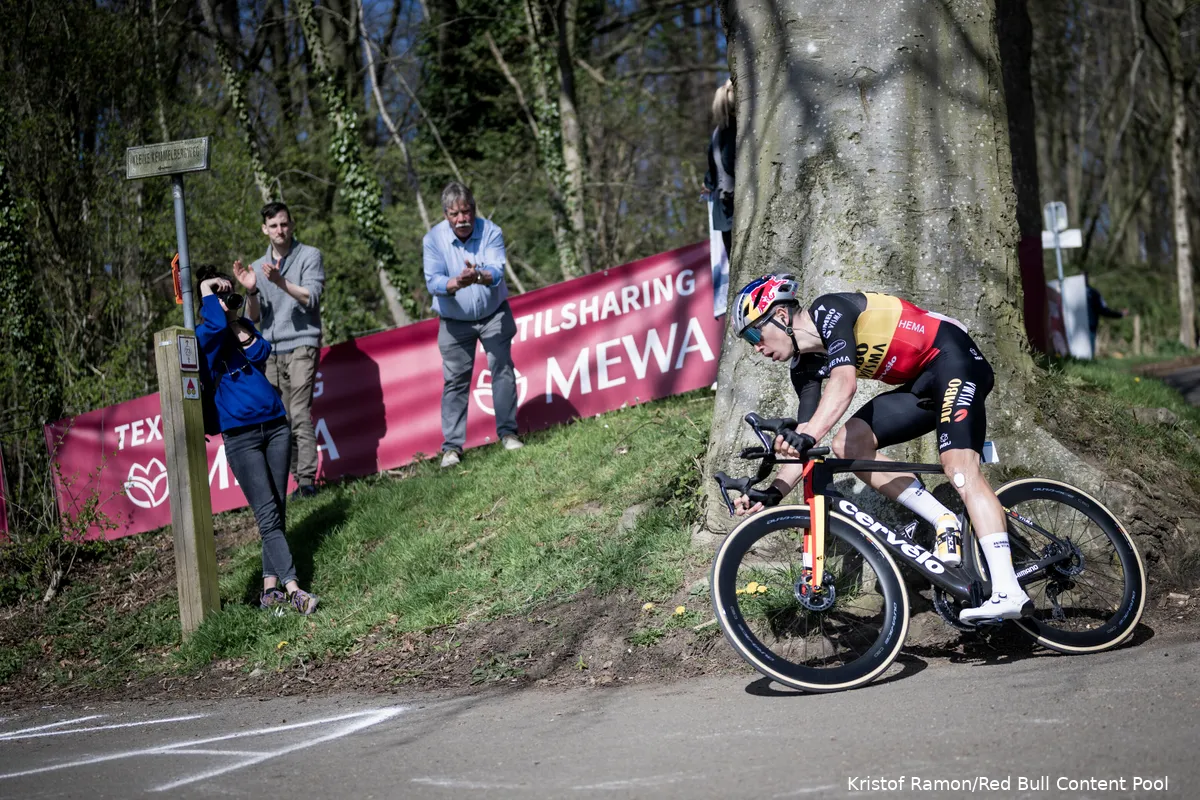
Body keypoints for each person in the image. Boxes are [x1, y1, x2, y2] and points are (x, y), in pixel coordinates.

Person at [729, 274, 1033, 624]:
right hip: (920, 384)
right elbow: (805, 444)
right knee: (847, 444)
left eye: (754, 333)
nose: (755, 346)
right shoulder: (804, 369)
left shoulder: (828, 310)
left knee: (959, 469)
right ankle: (943, 521)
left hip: (954, 357)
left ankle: (1009, 590)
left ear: (780, 316)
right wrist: (773, 491)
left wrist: (809, 433)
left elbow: (844, 384)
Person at [195, 266, 319, 615]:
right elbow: (215, 327)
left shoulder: (240, 327)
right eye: (217, 294)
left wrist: (237, 315)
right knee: (266, 514)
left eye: (226, 292)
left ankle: (269, 591)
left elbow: (260, 353)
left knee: (276, 509)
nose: (225, 298)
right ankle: (294, 589)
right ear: (205, 300)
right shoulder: (201, 335)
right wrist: (208, 290)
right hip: (241, 437)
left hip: (275, 426)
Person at [423, 181, 523, 468]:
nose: (462, 219)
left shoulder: (491, 231)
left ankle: (508, 434)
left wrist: (478, 276)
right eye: (455, 214)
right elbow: (433, 281)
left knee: (502, 369)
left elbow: (497, 270)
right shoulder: (432, 240)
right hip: (454, 323)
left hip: (494, 315)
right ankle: (452, 449)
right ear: (445, 215)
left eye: (466, 212)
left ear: (474, 210)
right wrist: (456, 282)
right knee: (455, 382)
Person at [233, 202, 325, 498]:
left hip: (302, 342)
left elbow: (311, 297)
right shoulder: (259, 267)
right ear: (265, 229)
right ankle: (292, 483)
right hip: (271, 351)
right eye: (273, 226)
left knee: (299, 412)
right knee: (280, 419)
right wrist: (251, 289)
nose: (280, 230)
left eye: (284, 224)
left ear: (291, 224)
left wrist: (280, 281)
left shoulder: (309, 255)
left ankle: (308, 481)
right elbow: (255, 318)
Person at [703, 78, 736, 259]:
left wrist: (708, 181)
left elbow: (711, 175)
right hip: (733, 208)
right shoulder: (735, 130)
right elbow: (729, 162)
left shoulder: (718, 133)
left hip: (723, 214)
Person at [1085, 278, 1128, 354]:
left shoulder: (1093, 293)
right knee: (1088, 353)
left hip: (1090, 325)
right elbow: (1103, 310)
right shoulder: (1094, 293)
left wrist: (1119, 314)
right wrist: (1120, 314)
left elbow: (1103, 309)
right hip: (1090, 325)